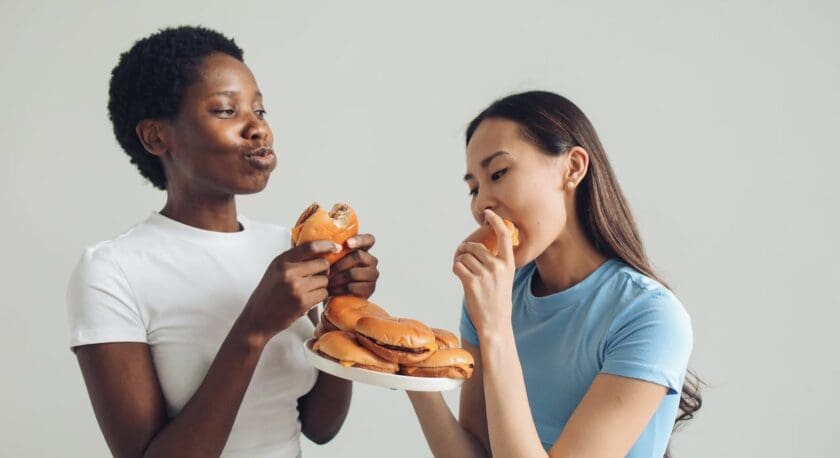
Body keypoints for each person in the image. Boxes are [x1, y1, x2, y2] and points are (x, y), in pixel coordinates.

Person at [67, 26, 380, 458]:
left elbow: (320, 426)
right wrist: (253, 329)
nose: (258, 129)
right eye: (225, 111)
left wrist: (339, 314)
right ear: (156, 137)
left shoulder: (284, 249)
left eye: (261, 111)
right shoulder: (112, 269)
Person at [407, 91, 702, 457]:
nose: (482, 203)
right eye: (473, 188)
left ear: (573, 168)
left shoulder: (649, 316)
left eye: (498, 173)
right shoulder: (496, 294)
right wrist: (412, 373)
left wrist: (497, 328)